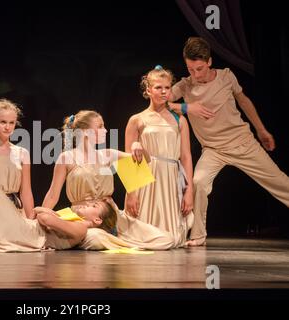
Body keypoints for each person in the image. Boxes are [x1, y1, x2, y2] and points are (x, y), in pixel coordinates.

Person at [168, 37, 289, 246]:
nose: (195, 74)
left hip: (242, 142)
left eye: (199, 69)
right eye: (190, 69)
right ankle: (198, 234)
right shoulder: (185, 86)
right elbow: (161, 101)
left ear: (209, 62)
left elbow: (243, 100)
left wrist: (261, 130)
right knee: (199, 182)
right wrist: (187, 108)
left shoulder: (226, 77)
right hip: (213, 149)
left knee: (280, 183)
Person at [42, 110, 184, 250]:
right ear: (85, 132)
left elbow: (145, 160)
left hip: (112, 216)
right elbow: (53, 195)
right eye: (100, 126)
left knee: (166, 239)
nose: (105, 130)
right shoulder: (67, 158)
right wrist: (40, 223)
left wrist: (137, 145)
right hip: (84, 218)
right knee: (95, 239)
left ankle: (118, 240)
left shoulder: (107, 154)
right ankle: (109, 240)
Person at [124, 65, 194, 247]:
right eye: (158, 87)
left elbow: (186, 156)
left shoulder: (180, 120)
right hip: (146, 180)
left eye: (167, 87)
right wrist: (131, 193)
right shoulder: (137, 120)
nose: (163, 92)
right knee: (143, 233)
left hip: (171, 179)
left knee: (172, 238)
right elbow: (128, 161)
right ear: (148, 90)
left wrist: (189, 190)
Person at [0, 98, 36, 219]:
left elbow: (26, 192)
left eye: (11, 123)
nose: (7, 127)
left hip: (14, 212)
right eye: (3, 122)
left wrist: (31, 220)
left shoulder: (22, 153)